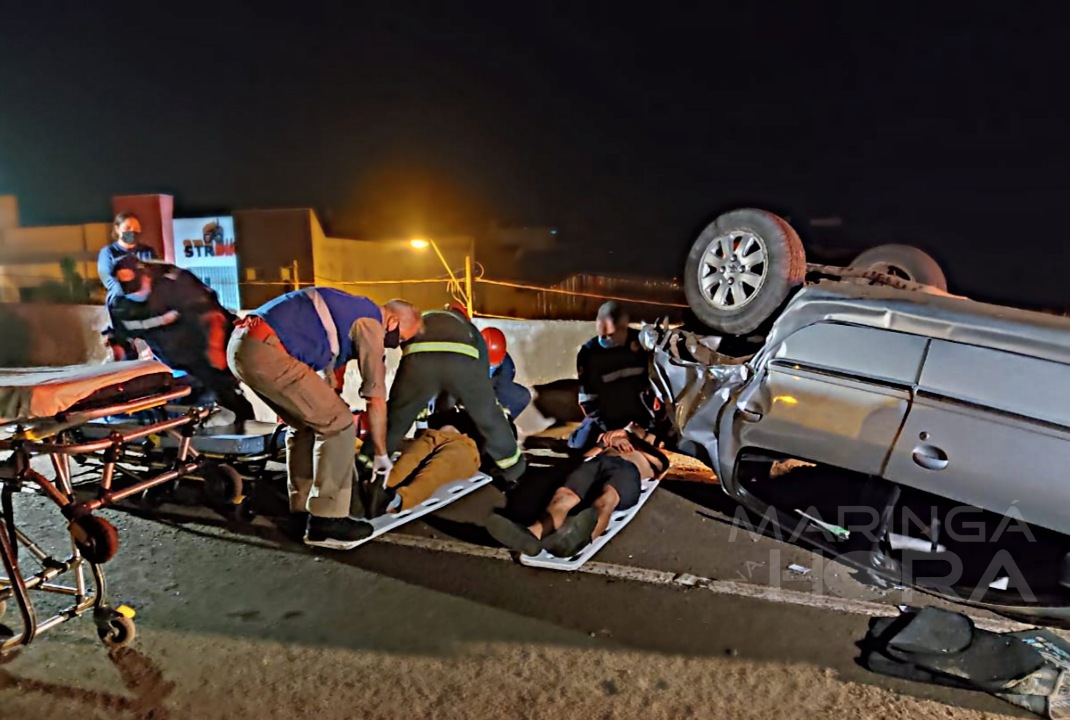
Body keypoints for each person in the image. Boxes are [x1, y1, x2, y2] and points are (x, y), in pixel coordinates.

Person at [227, 288, 422, 549]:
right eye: (400, 338)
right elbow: (375, 396)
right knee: (338, 424)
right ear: (393, 322)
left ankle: (303, 508)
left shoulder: (350, 310)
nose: (396, 344)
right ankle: (327, 520)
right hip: (267, 351)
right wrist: (380, 453)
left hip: (244, 345)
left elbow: (328, 375)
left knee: (307, 424)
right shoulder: (371, 323)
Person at [385, 307, 527, 488]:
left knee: (427, 456)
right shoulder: (470, 340)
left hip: (454, 424)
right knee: (432, 456)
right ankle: (511, 471)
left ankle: (377, 479)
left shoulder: (421, 328)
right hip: (452, 423)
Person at [486, 422, 669, 558]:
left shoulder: (654, 451)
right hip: (595, 465)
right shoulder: (612, 440)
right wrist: (603, 445)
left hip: (625, 469)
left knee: (605, 500)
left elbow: (661, 465)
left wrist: (629, 438)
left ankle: (576, 540)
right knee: (563, 497)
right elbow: (584, 458)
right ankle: (531, 536)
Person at [109, 256, 255, 425]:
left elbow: (213, 317)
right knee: (181, 408)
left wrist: (218, 355)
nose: (136, 294)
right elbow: (122, 341)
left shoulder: (176, 282)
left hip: (207, 348)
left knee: (228, 398)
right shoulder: (119, 303)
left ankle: (246, 435)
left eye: (138, 288)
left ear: (146, 274)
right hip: (172, 359)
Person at [568, 301, 652, 451]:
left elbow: (657, 388)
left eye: (610, 335)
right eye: (602, 335)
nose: (604, 340)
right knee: (579, 446)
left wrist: (648, 426)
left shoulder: (642, 346)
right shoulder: (589, 353)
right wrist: (609, 429)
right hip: (607, 417)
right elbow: (588, 399)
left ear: (624, 327)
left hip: (640, 416)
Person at [363, 415, 481, 518]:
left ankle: (388, 498)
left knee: (431, 473)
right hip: (434, 435)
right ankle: (381, 497)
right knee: (409, 471)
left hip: (459, 442)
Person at [99, 212, 159, 360]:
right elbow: (108, 279)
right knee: (126, 355)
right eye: (127, 227)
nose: (132, 231)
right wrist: (131, 293)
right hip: (122, 306)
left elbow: (157, 276)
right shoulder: (109, 253)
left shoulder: (147, 252)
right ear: (117, 229)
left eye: (136, 228)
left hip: (148, 305)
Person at [481, 326, 532, 420]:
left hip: (492, 391)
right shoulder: (465, 359)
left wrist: (500, 410)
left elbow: (504, 387)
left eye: (495, 364)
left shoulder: (507, 367)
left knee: (522, 397)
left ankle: (503, 424)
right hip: (470, 391)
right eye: (488, 364)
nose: (491, 367)